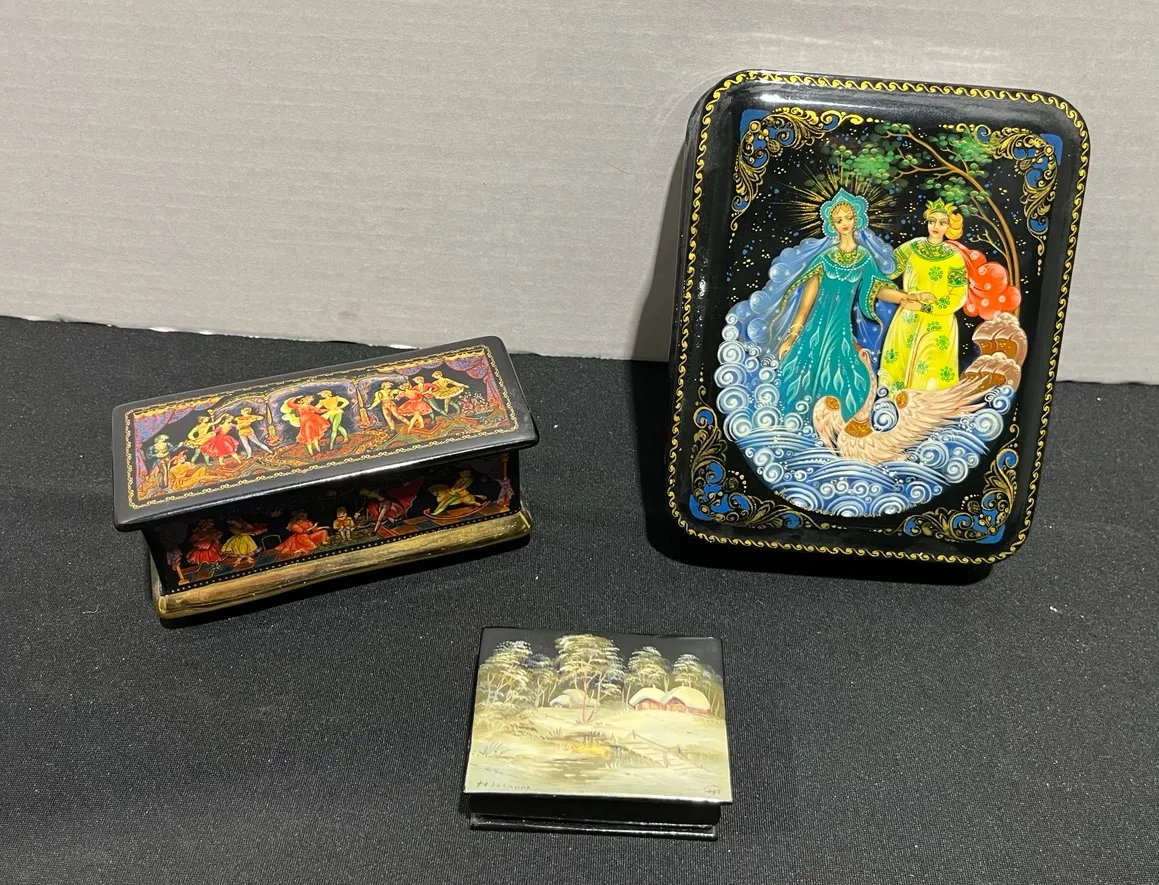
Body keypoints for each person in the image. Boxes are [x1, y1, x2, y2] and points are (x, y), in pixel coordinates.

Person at [728, 188, 916, 423]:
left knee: (847, 376)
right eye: (839, 220)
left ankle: (836, 426)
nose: (844, 223)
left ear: (857, 219)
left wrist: (905, 297)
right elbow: (806, 304)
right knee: (800, 377)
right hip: (814, 330)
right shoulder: (825, 259)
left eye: (848, 217)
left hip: (840, 329)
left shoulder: (864, 258)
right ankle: (798, 426)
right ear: (832, 224)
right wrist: (792, 336)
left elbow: (877, 288)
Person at [878, 200, 971, 393]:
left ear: (949, 227)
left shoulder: (954, 257)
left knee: (930, 376)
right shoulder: (913, 247)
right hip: (907, 319)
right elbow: (886, 273)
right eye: (932, 221)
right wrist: (905, 295)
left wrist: (924, 307)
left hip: (939, 324)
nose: (936, 226)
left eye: (942, 222)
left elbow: (958, 296)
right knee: (898, 376)